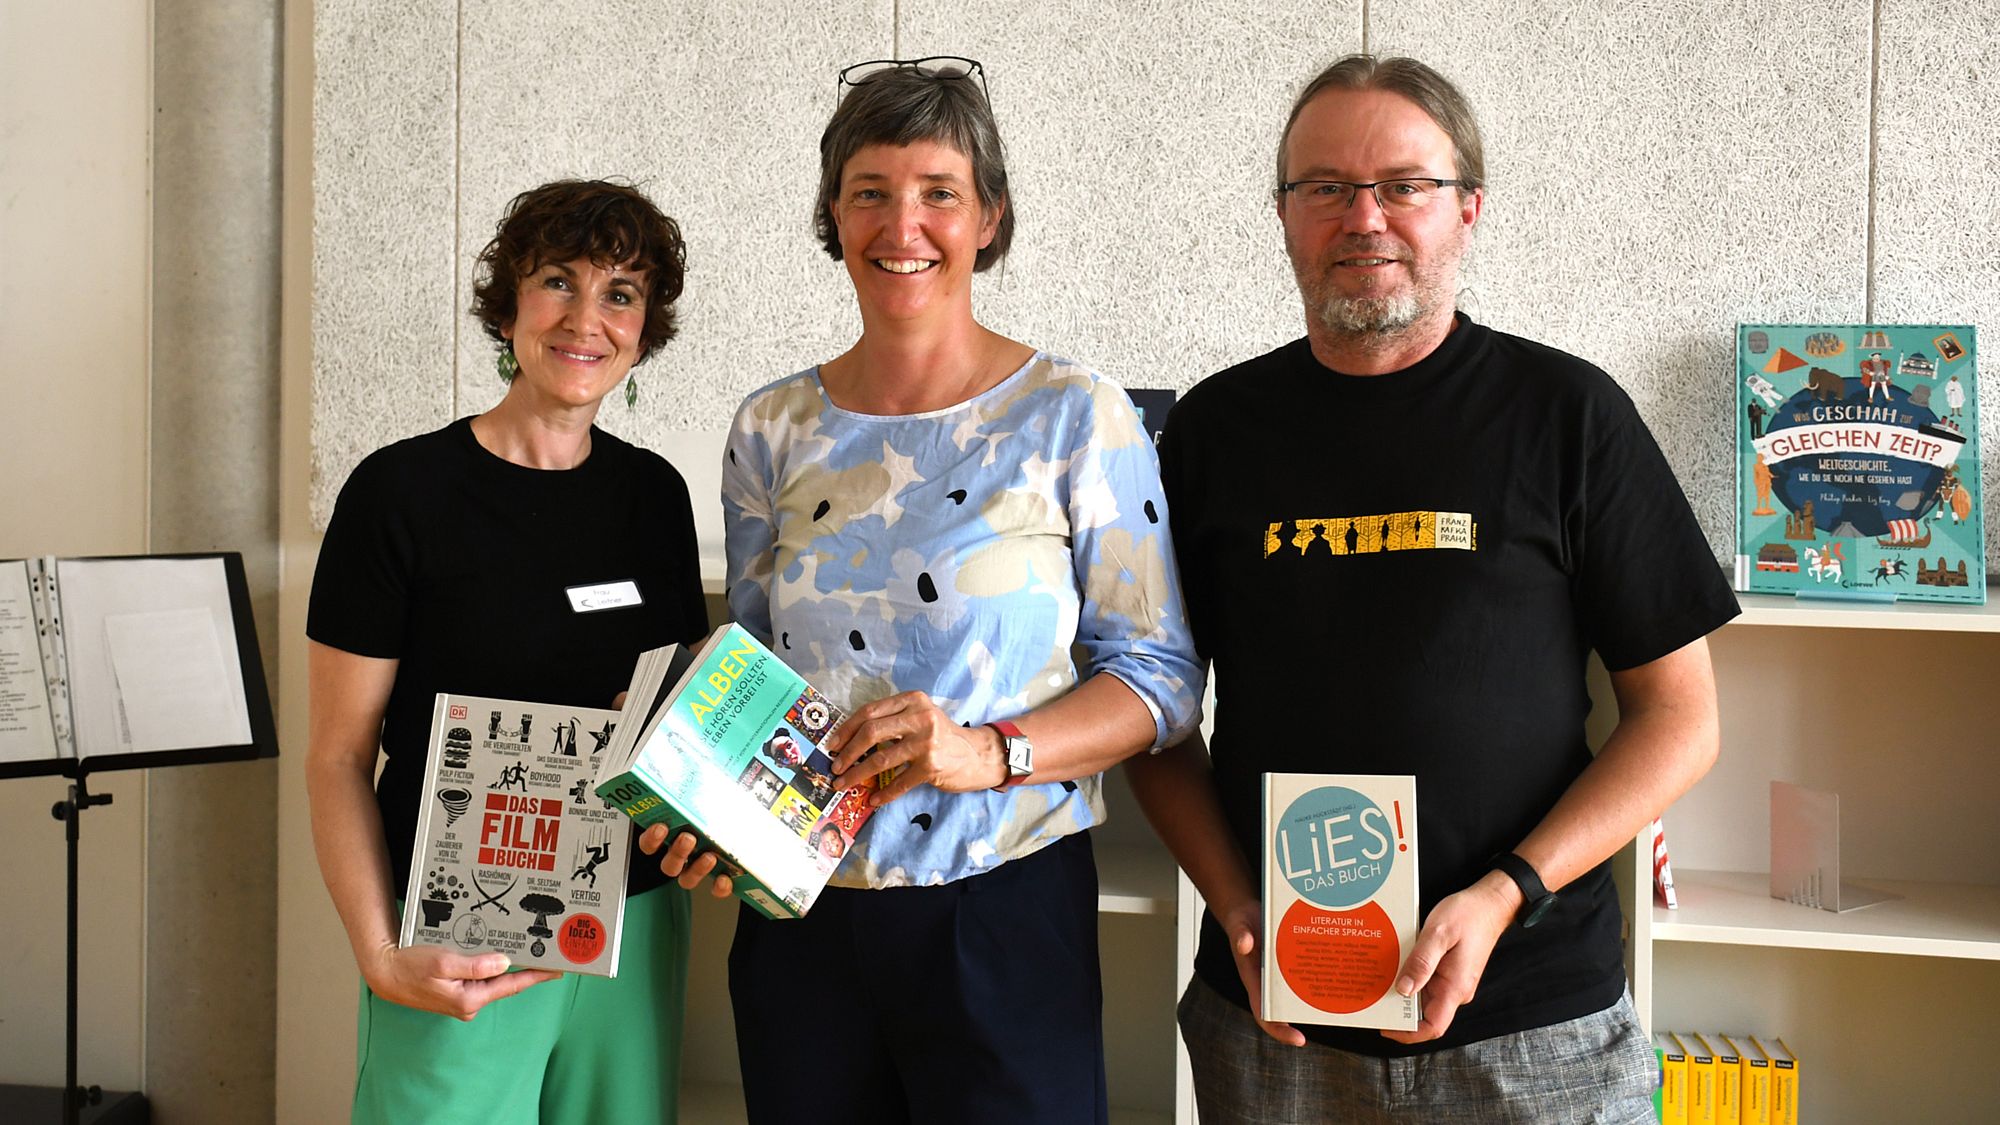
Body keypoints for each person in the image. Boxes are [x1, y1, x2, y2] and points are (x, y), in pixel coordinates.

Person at [1126, 55, 1739, 1123]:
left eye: (1402, 185)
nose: (1363, 217)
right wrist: (1232, 905)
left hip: (1534, 1025)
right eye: (1323, 187)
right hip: (1276, 1024)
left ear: (1466, 210)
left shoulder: (1569, 415)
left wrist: (1507, 893)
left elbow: (1679, 720)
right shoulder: (1209, 438)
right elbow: (1152, 720)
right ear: (1283, 217)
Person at [651, 58, 1202, 1124]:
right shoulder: (771, 429)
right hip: (799, 916)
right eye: (869, 191)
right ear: (831, 213)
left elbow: (1160, 679)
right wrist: (703, 812)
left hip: (1003, 911)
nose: (902, 223)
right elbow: (752, 676)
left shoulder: (1076, 416)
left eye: (938, 192)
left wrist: (987, 751)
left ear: (989, 217)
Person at [307, 179, 710, 1124]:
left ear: (645, 329)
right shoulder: (398, 494)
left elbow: (682, 714)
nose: (586, 318)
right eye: (557, 282)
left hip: (632, 922)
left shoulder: (656, 497)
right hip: (458, 929)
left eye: (620, 292)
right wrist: (377, 951)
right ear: (507, 306)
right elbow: (335, 757)